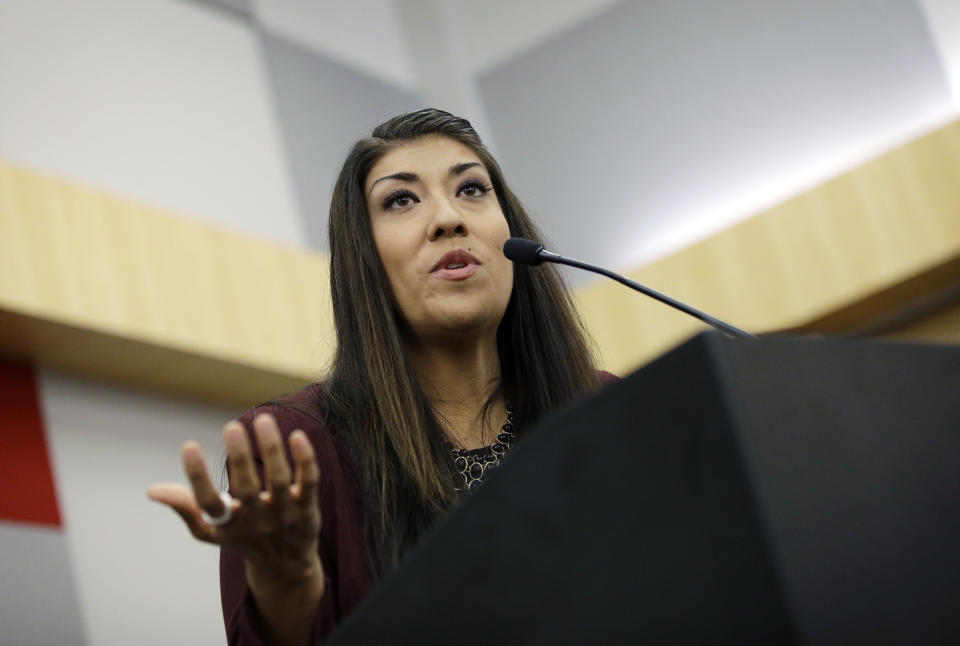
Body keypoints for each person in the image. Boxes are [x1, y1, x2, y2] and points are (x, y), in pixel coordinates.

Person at [148, 108, 609, 645]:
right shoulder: (297, 450)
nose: (448, 218)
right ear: (364, 259)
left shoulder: (610, 409)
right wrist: (287, 592)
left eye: (472, 189)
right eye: (401, 200)